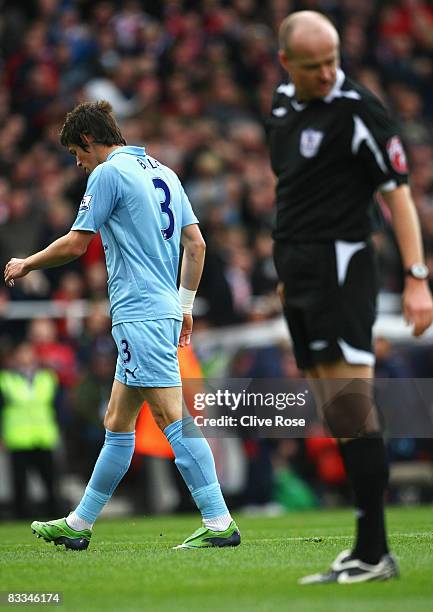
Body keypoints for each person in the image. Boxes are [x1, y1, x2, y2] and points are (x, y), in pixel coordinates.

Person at [4, 100, 240, 550]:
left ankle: (218, 520)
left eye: (77, 153)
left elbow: (77, 243)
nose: (78, 162)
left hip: (141, 313)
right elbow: (196, 243)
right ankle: (80, 523)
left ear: (90, 140)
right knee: (118, 421)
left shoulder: (108, 173)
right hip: (162, 308)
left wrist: (27, 263)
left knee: (173, 417)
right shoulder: (164, 172)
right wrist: (186, 304)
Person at [269, 11, 433, 584]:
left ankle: (374, 552)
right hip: (300, 270)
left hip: (342, 267)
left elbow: (400, 196)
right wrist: (285, 271)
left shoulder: (361, 110)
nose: (326, 73)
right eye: (313, 65)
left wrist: (416, 277)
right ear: (286, 62)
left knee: (350, 404)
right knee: (333, 409)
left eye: (333, 61)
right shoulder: (283, 105)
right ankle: (366, 548)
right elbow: (292, 190)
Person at [0, 342, 62, 519]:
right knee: (19, 482)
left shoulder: (47, 378)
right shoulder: (5, 379)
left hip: (44, 435)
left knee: (50, 480)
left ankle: (54, 514)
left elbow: (58, 407)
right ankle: (21, 515)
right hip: (18, 438)